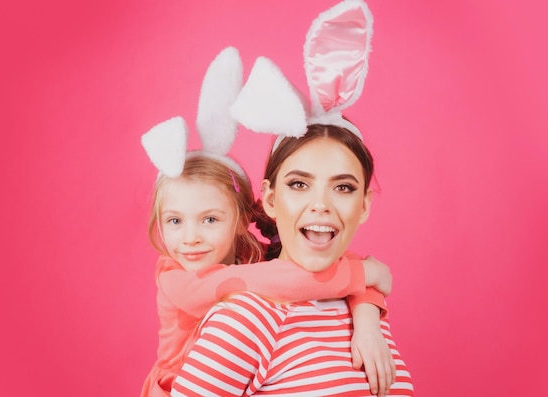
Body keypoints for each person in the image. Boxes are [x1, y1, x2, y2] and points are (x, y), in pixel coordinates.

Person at [170, 124, 414, 396]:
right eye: (299, 184)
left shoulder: (365, 305)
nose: (320, 204)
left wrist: (367, 309)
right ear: (271, 200)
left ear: (364, 205)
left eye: (343, 187)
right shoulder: (244, 318)